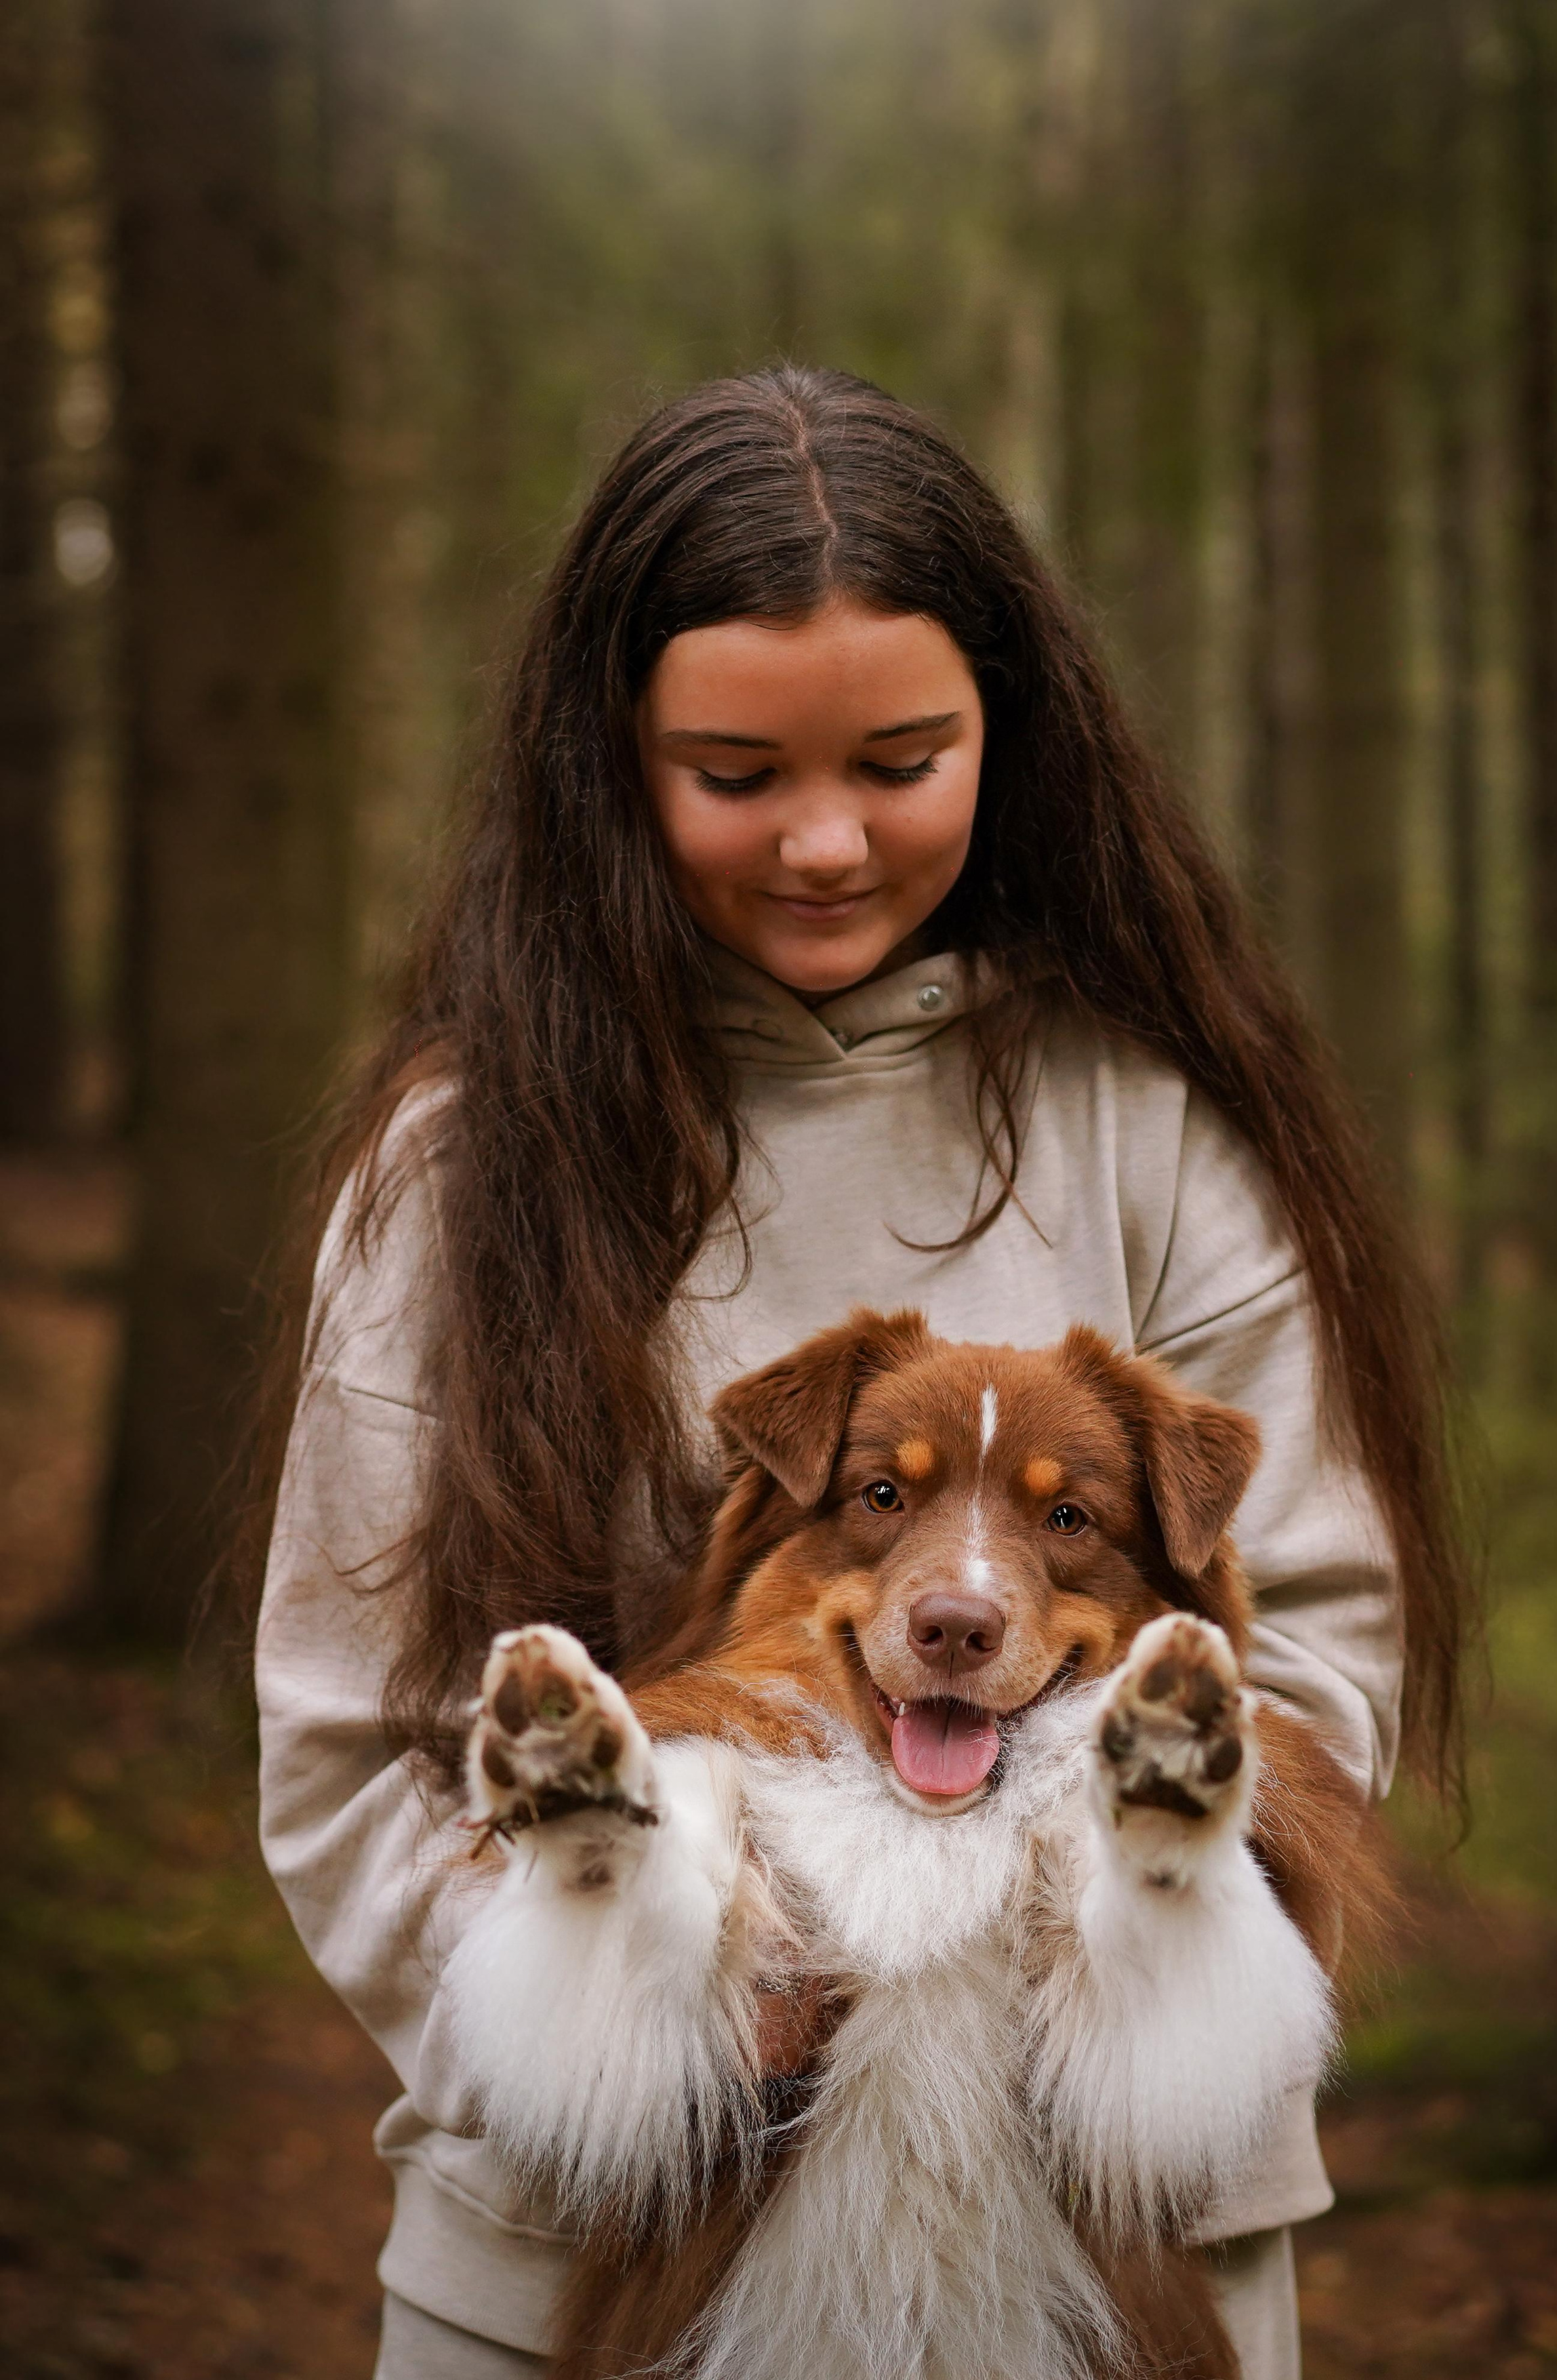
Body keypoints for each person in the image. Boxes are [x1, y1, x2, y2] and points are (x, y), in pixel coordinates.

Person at [253, 364, 1469, 2380]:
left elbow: (1319, 1663)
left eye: (903, 760)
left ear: (1012, 732)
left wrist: (1039, 1952)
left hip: (1110, 2262)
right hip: (580, 2269)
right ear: (613, 766)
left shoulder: (1155, 1126)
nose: (825, 841)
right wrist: (661, 2025)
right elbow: (346, 1744)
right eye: (735, 774)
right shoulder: (466, 1168)